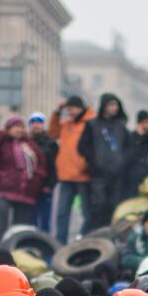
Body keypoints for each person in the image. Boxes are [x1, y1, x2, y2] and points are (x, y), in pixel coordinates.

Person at [0, 115, 48, 239]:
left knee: (21, 226)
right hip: (5, 188)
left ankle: (16, 248)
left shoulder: (30, 144)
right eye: (15, 127)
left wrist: (37, 179)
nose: (19, 130)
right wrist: (1, 133)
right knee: (0, 217)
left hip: (26, 191)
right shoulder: (2, 143)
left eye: (21, 127)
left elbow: (41, 163)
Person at [76, 93, 131, 231]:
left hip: (116, 174)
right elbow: (82, 146)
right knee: (98, 205)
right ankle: (95, 233)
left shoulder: (120, 127)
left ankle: (110, 233)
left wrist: (122, 162)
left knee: (113, 206)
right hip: (99, 173)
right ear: (104, 106)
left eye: (116, 105)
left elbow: (130, 147)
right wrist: (94, 162)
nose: (114, 108)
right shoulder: (93, 125)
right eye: (111, 105)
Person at [48, 96, 95, 243]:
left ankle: (84, 239)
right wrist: (57, 112)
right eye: (68, 109)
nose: (70, 112)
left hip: (83, 176)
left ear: (80, 108)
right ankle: (59, 243)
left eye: (72, 108)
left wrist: (85, 165)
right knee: (62, 213)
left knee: (86, 213)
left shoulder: (90, 123)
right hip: (66, 176)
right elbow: (52, 133)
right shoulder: (66, 125)